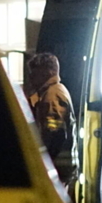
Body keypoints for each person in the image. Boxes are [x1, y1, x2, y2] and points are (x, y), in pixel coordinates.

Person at [24, 52, 78, 188]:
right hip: (61, 167)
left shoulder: (52, 96)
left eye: (34, 73)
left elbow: (55, 133)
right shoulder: (54, 92)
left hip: (57, 167)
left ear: (47, 72)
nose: (31, 77)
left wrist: (45, 163)